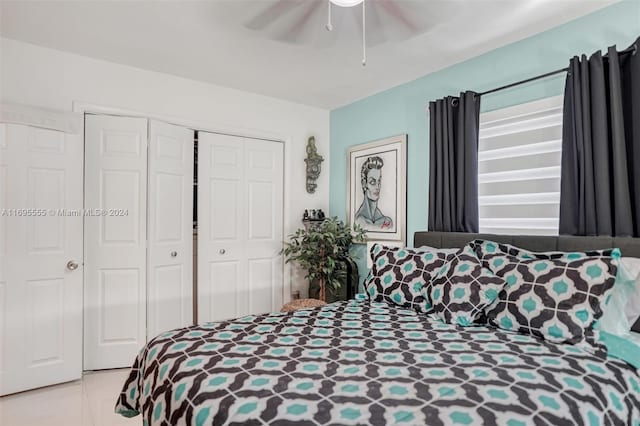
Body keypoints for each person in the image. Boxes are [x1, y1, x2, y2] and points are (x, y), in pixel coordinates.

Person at [355, 156, 393, 229]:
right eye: (372, 182)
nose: (377, 187)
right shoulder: (360, 220)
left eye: (379, 181)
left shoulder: (384, 219)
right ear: (364, 183)